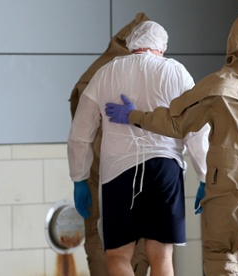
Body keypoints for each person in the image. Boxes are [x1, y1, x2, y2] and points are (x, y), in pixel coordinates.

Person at [104, 12, 238, 276]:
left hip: (224, 188)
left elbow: (175, 124)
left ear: (231, 47)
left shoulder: (216, 85)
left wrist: (133, 116)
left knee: (221, 260)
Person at [67, 19, 209, 276]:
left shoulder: (106, 72)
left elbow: (80, 132)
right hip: (165, 170)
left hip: (118, 173)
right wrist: (205, 177)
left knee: (118, 256)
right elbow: (196, 128)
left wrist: (79, 178)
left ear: (132, 44)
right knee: (162, 256)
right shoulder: (176, 71)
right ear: (162, 47)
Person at [69, 12, 151, 276]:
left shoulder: (95, 73)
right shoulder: (156, 72)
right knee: (145, 244)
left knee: (101, 240)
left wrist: (79, 178)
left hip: (99, 174)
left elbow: (79, 130)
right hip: (142, 173)